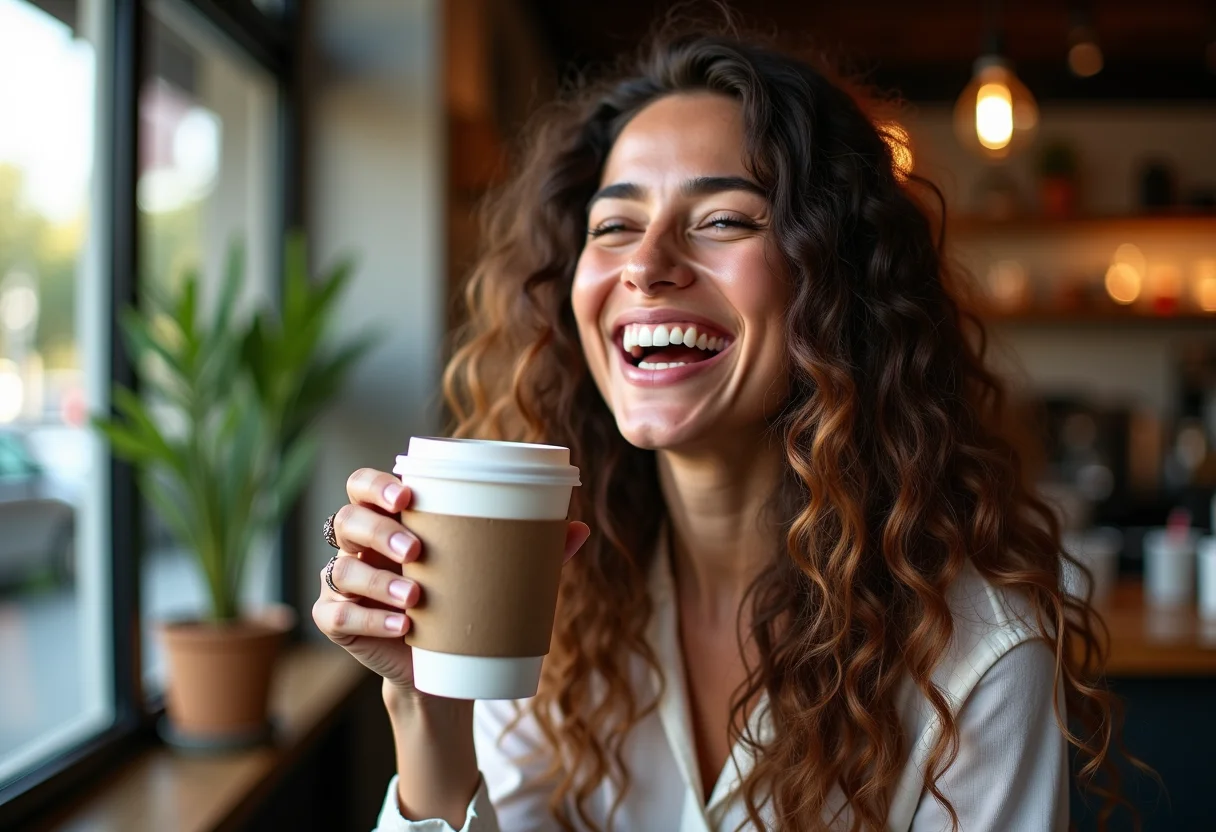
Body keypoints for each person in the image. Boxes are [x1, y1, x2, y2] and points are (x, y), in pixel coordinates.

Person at [312, 25, 1128, 832]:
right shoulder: (542, 601)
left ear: (835, 279)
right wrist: (431, 716)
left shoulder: (975, 661)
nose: (646, 263)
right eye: (614, 226)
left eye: (725, 220)